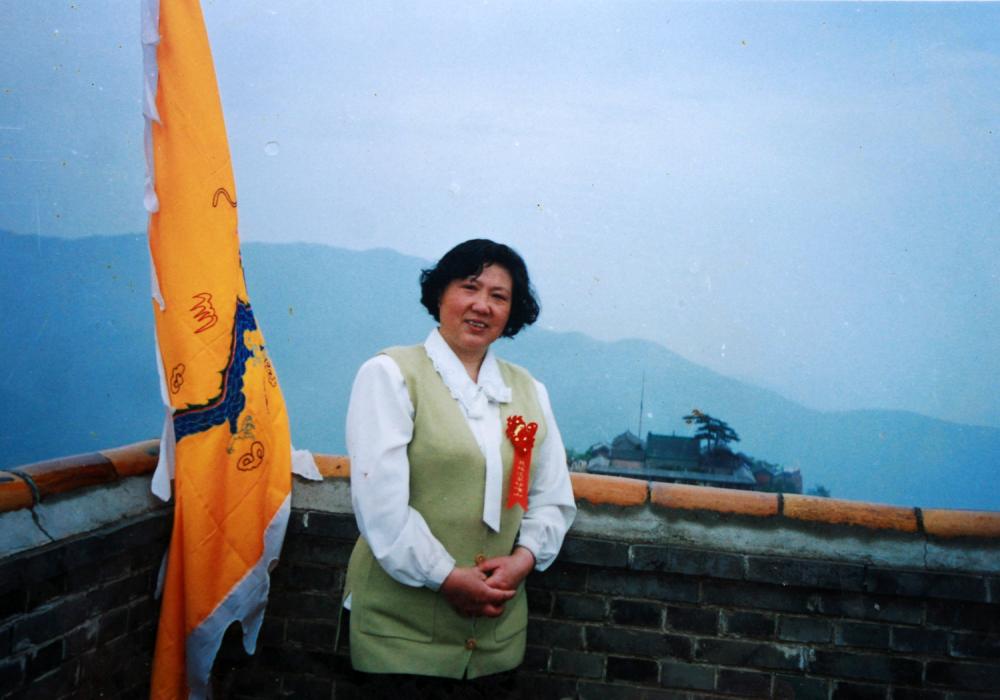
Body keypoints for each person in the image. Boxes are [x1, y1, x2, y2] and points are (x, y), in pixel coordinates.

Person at [342, 239, 577, 696]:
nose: (482, 305)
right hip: (399, 639)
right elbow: (380, 507)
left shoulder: (529, 391)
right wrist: (446, 577)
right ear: (440, 294)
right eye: (469, 287)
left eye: (499, 296)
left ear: (512, 311)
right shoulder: (390, 374)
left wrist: (524, 559)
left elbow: (551, 496)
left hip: (495, 643)